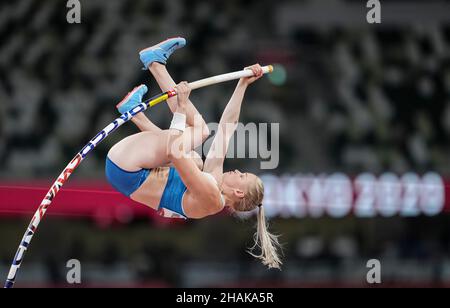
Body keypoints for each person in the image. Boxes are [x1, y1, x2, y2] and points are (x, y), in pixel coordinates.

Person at [106, 37, 281, 269]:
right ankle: (136, 110)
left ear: (238, 191)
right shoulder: (214, 180)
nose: (239, 170)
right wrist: (243, 83)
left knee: (199, 132)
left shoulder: (211, 198)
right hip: (133, 167)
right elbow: (227, 127)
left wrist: (180, 108)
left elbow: (175, 153)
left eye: (243, 176)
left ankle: (155, 65)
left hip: (126, 168)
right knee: (197, 156)